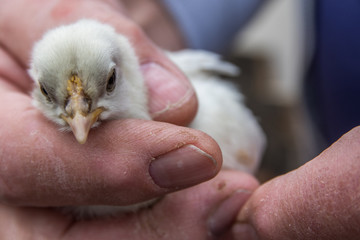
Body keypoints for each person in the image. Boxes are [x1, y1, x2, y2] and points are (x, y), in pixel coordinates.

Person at [0, 0, 359, 239]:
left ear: (122, 71)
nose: (79, 117)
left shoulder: (210, 118)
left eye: (107, 83)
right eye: (50, 95)